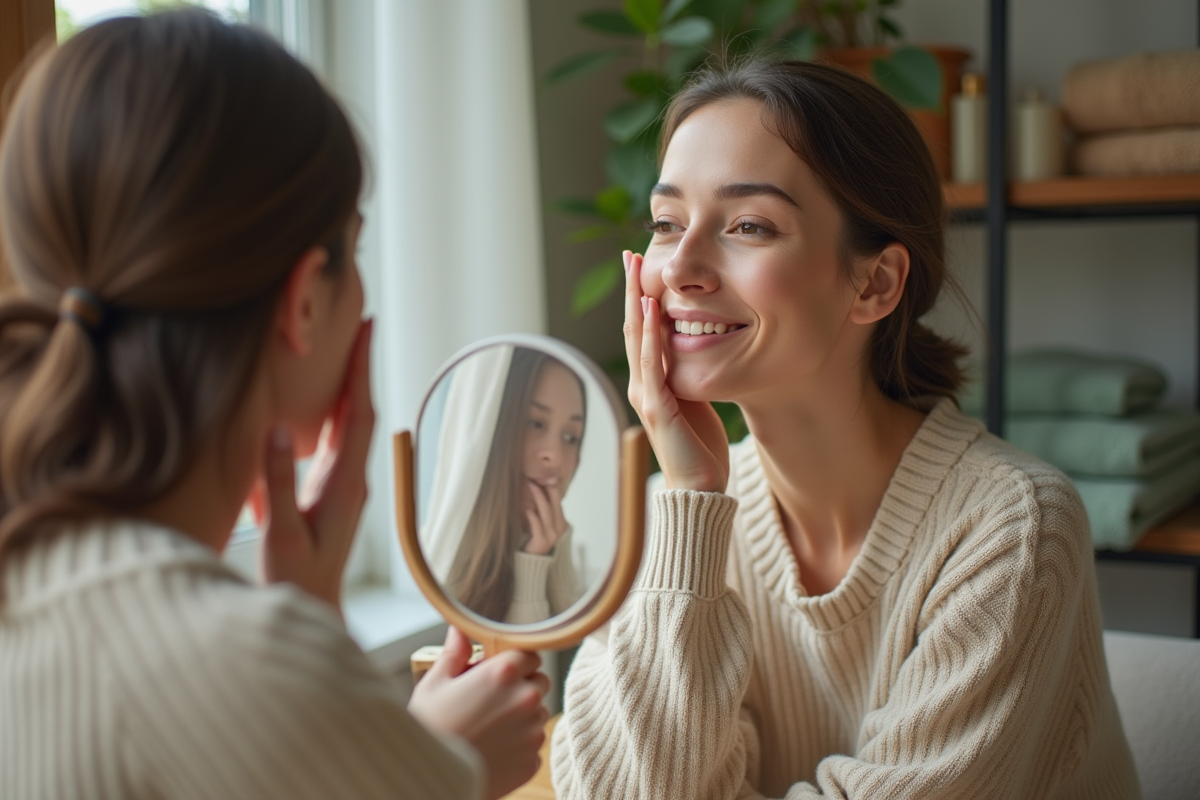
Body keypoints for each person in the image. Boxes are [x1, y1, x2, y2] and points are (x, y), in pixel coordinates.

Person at [551, 59, 1140, 799]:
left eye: (748, 226)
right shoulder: (678, 514)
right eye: (667, 223)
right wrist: (691, 498)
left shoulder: (1013, 530)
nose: (680, 268)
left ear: (875, 283)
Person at [0, 10, 547, 800]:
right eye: (353, 251)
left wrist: (310, 633)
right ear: (302, 303)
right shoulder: (230, 664)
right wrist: (445, 775)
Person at [446, 347, 586, 624]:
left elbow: (575, 640)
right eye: (535, 423)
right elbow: (520, 660)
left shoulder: (543, 534)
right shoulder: (450, 550)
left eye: (571, 437)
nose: (555, 456)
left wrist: (552, 549)